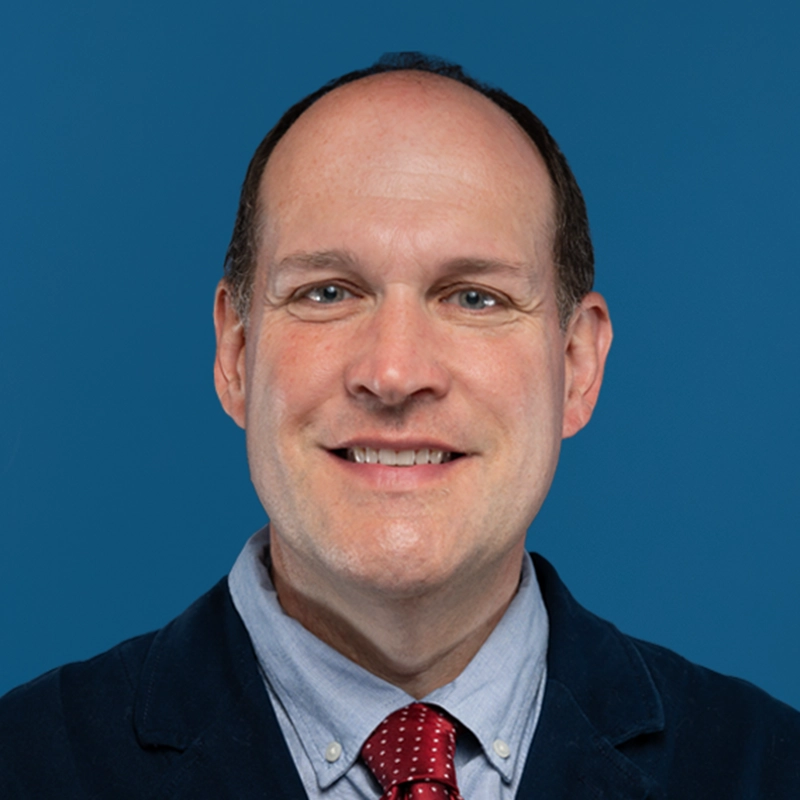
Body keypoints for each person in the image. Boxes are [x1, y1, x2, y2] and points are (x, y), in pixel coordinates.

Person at [1, 52, 798, 799]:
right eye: (327, 292)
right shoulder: (28, 762)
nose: (393, 372)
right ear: (237, 355)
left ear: (578, 366)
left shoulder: (766, 767)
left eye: (473, 298)